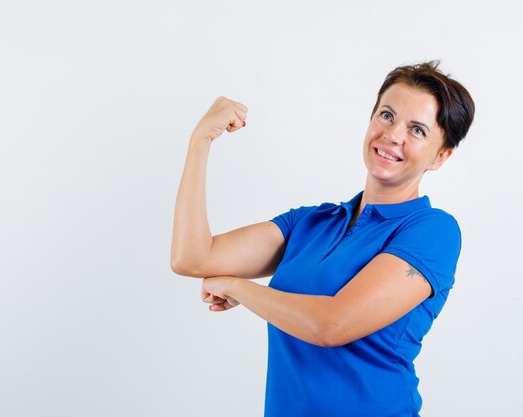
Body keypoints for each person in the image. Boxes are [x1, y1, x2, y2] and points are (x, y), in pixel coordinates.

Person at [170, 61, 475, 417]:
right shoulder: (311, 222)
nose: (393, 135)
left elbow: (332, 325)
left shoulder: (432, 231)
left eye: (418, 130)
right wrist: (200, 139)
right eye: (387, 115)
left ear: (441, 156)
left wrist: (238, 287)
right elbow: (191, 258)